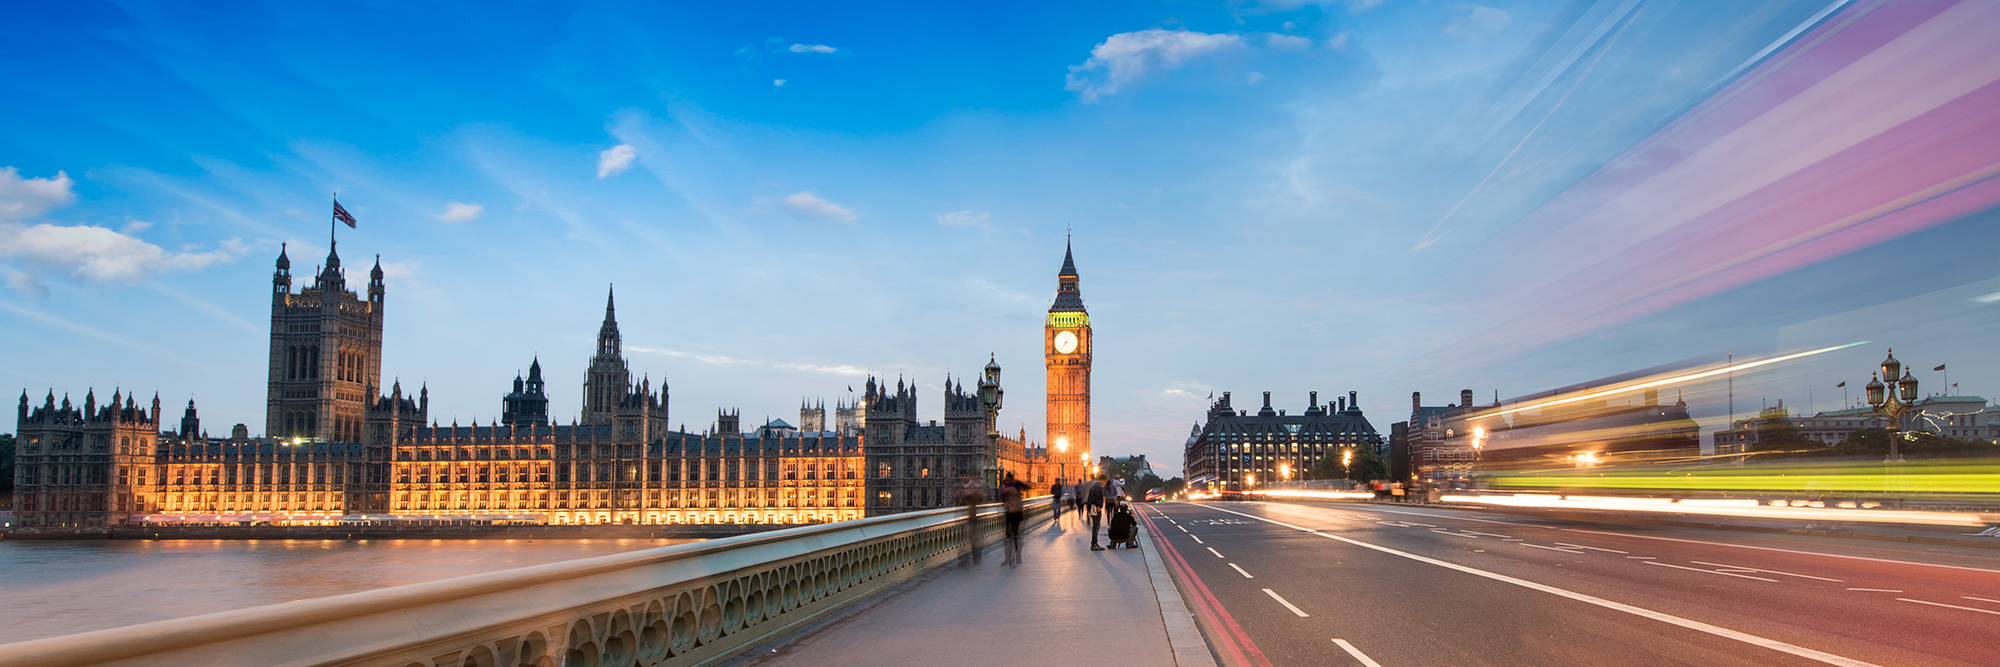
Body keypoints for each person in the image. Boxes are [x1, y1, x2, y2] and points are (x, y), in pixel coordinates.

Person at [957, 474, 984, 566]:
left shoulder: (976, 486)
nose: (963, 477)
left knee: (974, 539)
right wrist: (958, 495)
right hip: (959, 517)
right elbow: (951, 499)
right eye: (962, 475)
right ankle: (963, 560)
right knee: (962, 541)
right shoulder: (956, 486)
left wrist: (973, 494)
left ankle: (976, 557)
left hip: (972, 516)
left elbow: (981, 500)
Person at [1001, 472, 1028, 566]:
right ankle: (1008, 558)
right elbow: (1001, 497)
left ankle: (1017, 555)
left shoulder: (1015, 488)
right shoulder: (1006, 489)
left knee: (1016, 536)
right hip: (1009, 513)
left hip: (1017, 513)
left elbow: (1026, 487)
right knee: (1008, 536)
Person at [1085, 474, 1109, 551]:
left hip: (1092, 508)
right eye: (1105, 481)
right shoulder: (1097, 487)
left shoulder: (1093, 486)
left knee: (1095, 526)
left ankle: (1094, 543)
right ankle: (1094, 543)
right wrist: (1098, 506)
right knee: (1096, 526)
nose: (1105, 483)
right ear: (1102, 480)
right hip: (1095, 509)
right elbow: (1095, 497)